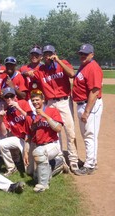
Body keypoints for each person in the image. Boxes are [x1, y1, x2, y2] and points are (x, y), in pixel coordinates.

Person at [24, 45, 79, 173]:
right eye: (46, 53)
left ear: (55, 53)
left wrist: (58, 60)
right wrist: (27, 72)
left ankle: (74, 161)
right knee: (55, 133)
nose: (48, 56)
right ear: (43, 56)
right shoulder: (41, 69)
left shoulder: (62, 63)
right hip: (50, 103)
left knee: (70, 132)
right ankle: (60, 160)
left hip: (64, 101)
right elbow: (26, 73)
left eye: (50, 53)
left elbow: (71, 74)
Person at [24, 89, 68, 192]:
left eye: (37, 100)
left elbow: (58, 128)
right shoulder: (31, 116)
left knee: (39, 153)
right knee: (34, 176)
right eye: (33, 100)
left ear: (43, 100)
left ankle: (43, 185)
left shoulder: (52, 111)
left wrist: (45, 115)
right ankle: (58, 164)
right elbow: (28, 137)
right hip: (38, 146)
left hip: (52, 145)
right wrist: (25, 152)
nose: (35, 102)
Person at [71, 44, 103, 176]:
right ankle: (91, 161)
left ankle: (89, 165)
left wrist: (87, 111)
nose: (82, 56)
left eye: (86, 54)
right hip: (82, 104)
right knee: (87, 135)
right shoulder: (85, 65)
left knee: (90, 135)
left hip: (89, 106)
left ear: (92, 54)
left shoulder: (93, 67)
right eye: (81, 53)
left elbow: (95, 91)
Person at [0, 87, 32, 176]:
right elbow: (4, 132)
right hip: (19, 139)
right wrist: (1, 119)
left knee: (29, 171)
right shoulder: (6, 112)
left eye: (11, 96)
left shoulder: (23, 103)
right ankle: (11, 168)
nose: (9, 99)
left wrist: (18, 108)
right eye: (7, 97)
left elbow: (31, 119)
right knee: (1, 144)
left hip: (30, 138)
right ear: (4, 99)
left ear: (15, 96)